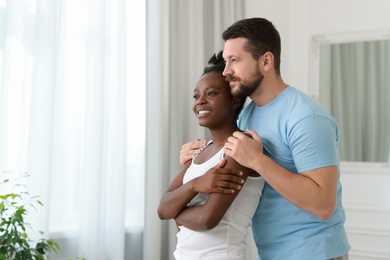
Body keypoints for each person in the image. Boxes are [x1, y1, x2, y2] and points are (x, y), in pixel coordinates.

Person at [180, 18, 350, 260]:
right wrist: (194, 160)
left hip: (316, 254)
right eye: (226, 61)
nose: (226, 71)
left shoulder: (306, 117)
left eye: (235, 61)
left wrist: (258, 161)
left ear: (266, 61)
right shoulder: (248, 114)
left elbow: (323, 205)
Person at [158, 51, 265, 260]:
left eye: (212, 94)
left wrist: (177, 209)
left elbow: (207, 219)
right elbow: (162, 209)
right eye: (196, 96)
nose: (200, 102)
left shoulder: (239, 148)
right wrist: (195, 185)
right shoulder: (200, 152)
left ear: (234, 101)